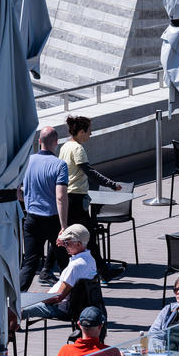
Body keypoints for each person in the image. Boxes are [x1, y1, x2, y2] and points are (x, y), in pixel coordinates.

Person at [59, 115, 121, 270]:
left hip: (68, 195)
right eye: (89, 131)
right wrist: (111, 184)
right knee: (88, 236)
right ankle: (102, 271)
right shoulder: (78, 149)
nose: (90, 134)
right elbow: (89, 172)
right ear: (81, 132)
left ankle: (49, 269)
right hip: (77, 197)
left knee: (70, 234)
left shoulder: (65, 146)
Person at [19, 125, 69, 290]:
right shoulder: (60, 165)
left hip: (32, 218)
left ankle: (14, 300)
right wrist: (63, 226)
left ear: (39, 141)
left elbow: (14, 191)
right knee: (64, 262)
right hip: (53, 220)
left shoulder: (27, 162)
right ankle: (70, 297)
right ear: (56, 142)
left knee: (30, 263)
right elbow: (60, 197)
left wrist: (27, 200)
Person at [18, 224, 100, 325]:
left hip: (59, 308)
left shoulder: (75, 266)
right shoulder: (90, 260)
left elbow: (58, 297)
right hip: (74, 305)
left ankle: (8, 334)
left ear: (78, 244)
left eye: (67, 243)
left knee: (15, 308)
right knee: (22, 299)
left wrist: (37, 297)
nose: (64, 245)